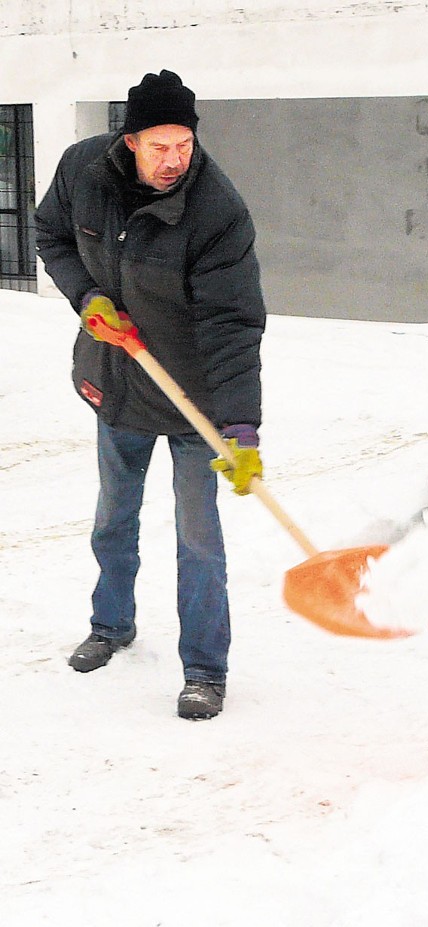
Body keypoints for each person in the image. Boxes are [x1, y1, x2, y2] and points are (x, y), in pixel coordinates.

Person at [35, 70, 266, 720]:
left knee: (198, 536)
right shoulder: (82, 170)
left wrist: (241, 428)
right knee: (114, 516)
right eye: (159, 145)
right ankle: (111, 625)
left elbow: (233, 325)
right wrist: (88, 298)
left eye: (184, 145)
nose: (173, 160)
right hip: (116, 380)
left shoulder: (217, 212)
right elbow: (51, 235)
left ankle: (204, 670)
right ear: (129, 139)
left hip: (195, 396)